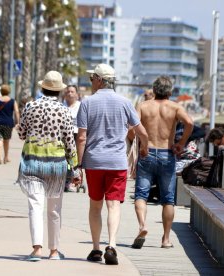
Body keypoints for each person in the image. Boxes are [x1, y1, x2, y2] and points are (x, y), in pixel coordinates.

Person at [76, 63, 148, 265]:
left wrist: (79, 165)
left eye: (92, 79)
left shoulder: (87, 103)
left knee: (95, 206)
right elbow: (141, 131)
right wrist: (145, 148)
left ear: (99, 80)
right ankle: (112, 246)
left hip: (94, 162)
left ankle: (96, 249)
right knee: (113, 205)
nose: (91, 83)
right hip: (117, 163)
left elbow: (82, 137)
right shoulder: (124, 102)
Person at [16, 71, 80, 262]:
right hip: (56, 165)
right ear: (59, 91)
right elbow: (70, 142)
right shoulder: (64, 111)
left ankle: (37, 249)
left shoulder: (30, 106)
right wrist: (75, 168)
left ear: (42, 87)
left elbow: (21, 133)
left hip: (32, 163)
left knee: (35, 205)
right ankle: (54, 251)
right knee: (54, 209)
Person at [131, 75, 193, 250]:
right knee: (168, 199)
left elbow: (131, 127)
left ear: (155, 89)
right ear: (170, 91)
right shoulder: (175, 107)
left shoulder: (143, 106)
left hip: (147, 152)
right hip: (167, 153)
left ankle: (143, 225)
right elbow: (189, 122)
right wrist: (181, 144)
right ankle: (165, 239)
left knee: (141, 195)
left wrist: (141, 143)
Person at [0, 84, 20, 164]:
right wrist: (18, 122)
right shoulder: (12, 101)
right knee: (6, 140)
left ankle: (0, 158)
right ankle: (6, 157)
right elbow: (16, 112)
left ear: (1, 91)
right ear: (9, 91)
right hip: (8, 123)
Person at [63, 84, 81, 192]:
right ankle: (65, 180)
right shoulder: (62, 106)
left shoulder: (80, 106)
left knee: (74, 161)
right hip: (63, 136)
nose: (70, 94)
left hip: (76, 136)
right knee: (65, 161)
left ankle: (73, 181)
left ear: (77, 95)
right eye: (68, 92)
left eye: (72, 92)